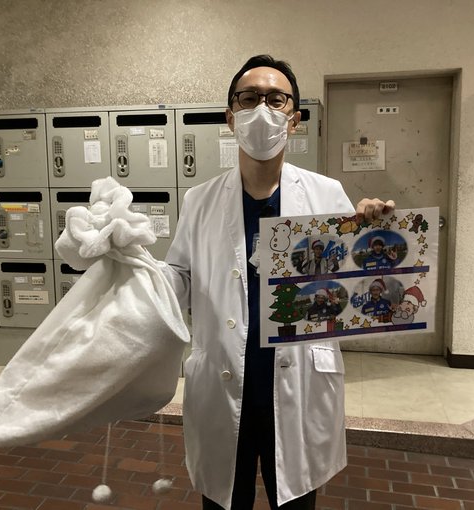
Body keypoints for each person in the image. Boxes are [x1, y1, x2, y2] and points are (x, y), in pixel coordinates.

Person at [161, 54, 395, 510]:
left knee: (295, 503)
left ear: (295, 119)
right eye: (249, 99)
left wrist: (373, 233)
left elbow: (358, 288)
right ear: (231, 117)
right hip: (225, 380)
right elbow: (178, 278)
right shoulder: (199, 200)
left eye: (276, 99)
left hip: (298, 381)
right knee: (224, 502)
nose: (262, 109)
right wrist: (129, 268)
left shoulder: (326, 194)